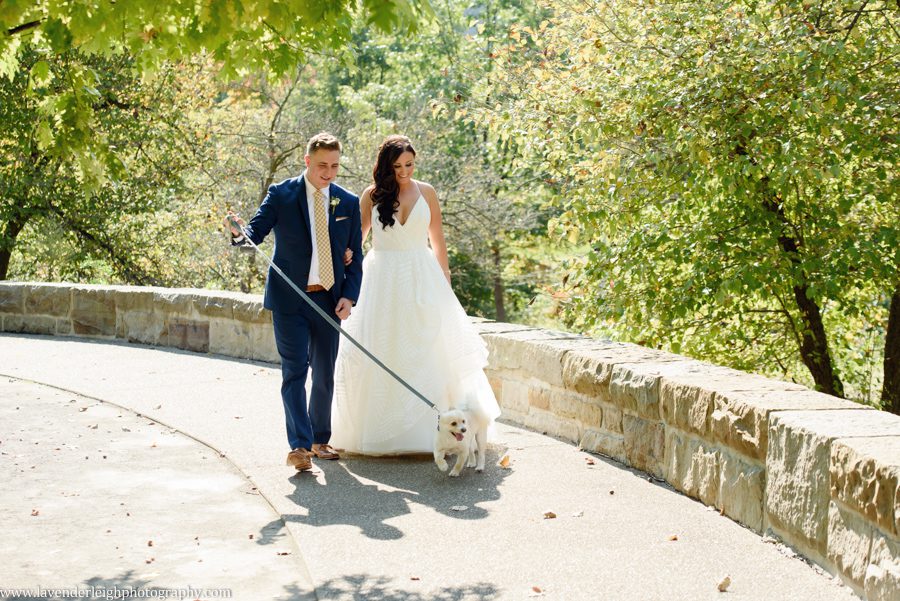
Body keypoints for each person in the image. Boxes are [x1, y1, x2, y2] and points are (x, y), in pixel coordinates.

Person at [330, 135, 501, 455]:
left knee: (432, 346)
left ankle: (441, 432)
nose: (404, 171)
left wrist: (445, 284)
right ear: (386, 167)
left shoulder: (428, 193)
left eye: (409, 164)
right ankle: (386, 432)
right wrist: (346, 258)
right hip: (383, 280)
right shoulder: (371, 195)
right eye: (397, 167)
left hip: (423, 277)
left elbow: (438, 240)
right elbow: (358, 237)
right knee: (385, 345)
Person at [225, 132, 363, 471]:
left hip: (329, 300)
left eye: (334, 166)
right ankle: (299, 447)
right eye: (321, 166)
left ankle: (319, 438)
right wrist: (237, 232)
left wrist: (349, 296)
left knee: (325, 373)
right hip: (289, 300)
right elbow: (253, 236)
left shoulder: (346, 202)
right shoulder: (282, 194)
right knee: (294, 371)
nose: (328, 173)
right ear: (306, 162)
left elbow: (356, 256)